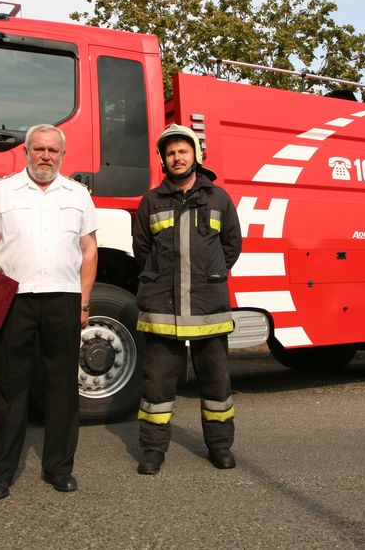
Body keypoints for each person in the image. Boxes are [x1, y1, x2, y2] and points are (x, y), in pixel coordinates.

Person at [0, 124, 98, 500]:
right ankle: (2, 473)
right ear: (26, 152)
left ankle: (59, 468)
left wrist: (84, 301)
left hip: (63, 299)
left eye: (52, 151)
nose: (45, 156)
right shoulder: (1, 192)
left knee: (61, 388)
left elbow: (89, 250)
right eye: (38, 149)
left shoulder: (77, 195)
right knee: (9, 387)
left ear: (62, 155)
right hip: (14, 299)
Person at [133, 124, 242, 475]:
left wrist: (209, 275)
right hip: (162, 308)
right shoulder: (151, 201)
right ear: (163, 161)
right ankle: (152, 450)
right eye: (170, 153)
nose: (176, 158)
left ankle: (220, 446)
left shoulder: (219, 198)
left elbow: (231, 246)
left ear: (196, 154)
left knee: (217, 382)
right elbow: (142, 250)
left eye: (182, 150)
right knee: (157, 384)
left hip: (208, 307)